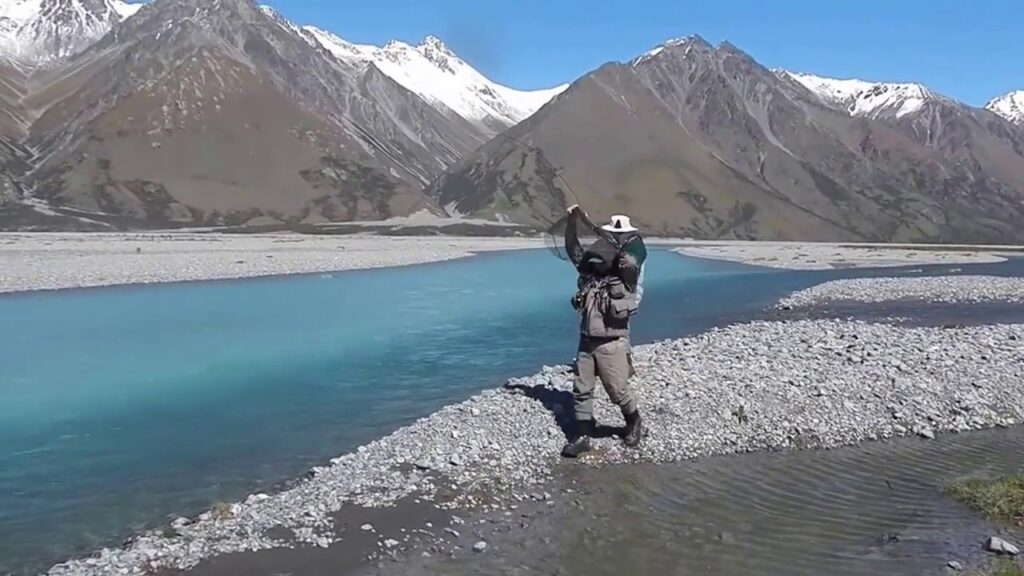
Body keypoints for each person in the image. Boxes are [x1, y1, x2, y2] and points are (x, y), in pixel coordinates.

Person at [561, 205, 648, 458]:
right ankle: (583, 435)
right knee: (581, 388)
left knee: (617, 389)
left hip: (612, 340)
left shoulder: (627, 275)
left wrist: (621, 246)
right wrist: (572, 222)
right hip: (586, 339)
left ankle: (634, 422)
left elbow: (632, 260)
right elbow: (573, 250)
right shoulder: (589, 273)